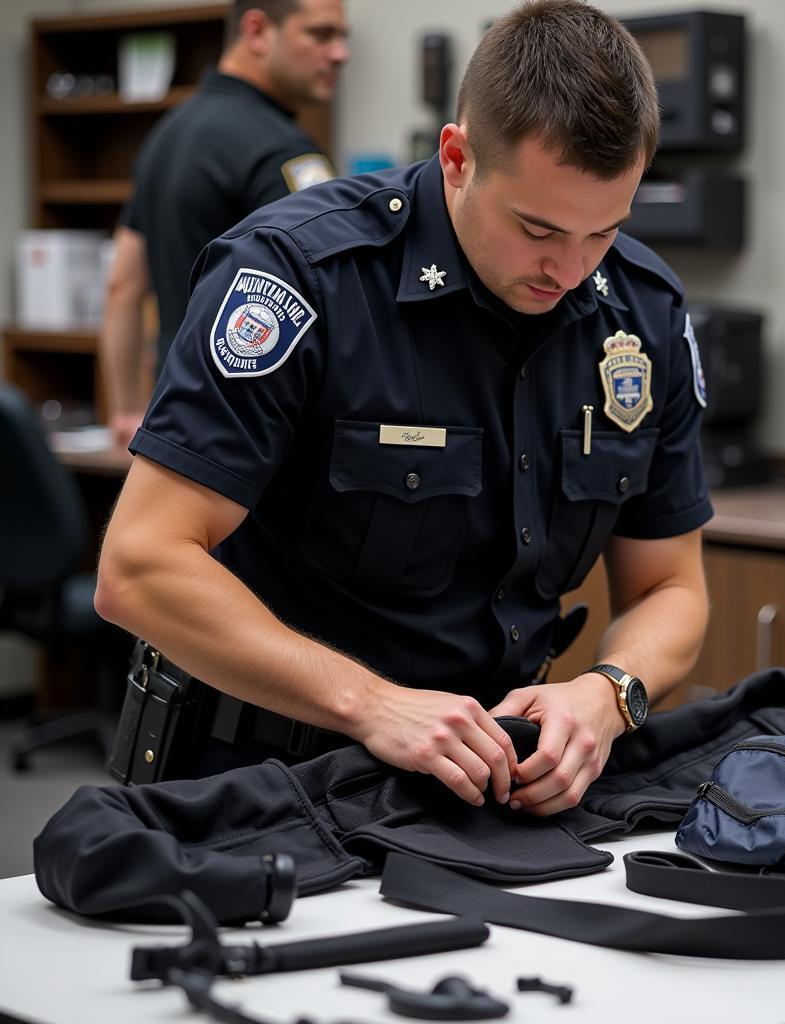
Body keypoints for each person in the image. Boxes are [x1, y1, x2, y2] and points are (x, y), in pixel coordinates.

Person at [95, 0, 712, 817]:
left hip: (484, 798)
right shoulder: (301, 277)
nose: (568, 269)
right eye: (537, 228)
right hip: (255, 786)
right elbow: (139, 568)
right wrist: (373, 704)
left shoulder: (641, 310)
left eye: (602, 233)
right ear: (457, 158)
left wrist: (608, 693)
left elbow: (672, 586)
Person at [100, 0, 349, 449]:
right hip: (249, 426)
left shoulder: (166, 134)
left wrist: (125, 411)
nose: (339, 53)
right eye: (321, 34)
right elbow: (342, 295)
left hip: (172, 415)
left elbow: (123, 283)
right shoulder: (281, 150)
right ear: (257, 31)